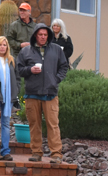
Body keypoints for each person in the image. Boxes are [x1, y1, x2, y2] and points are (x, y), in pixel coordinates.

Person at [16, 23, 69, 165]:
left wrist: (56, 79)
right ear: (35, 35)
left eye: (45, 35)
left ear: (48, 36)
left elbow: (64, 66)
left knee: (53, 125)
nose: (43, 37)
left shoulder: (57, 50)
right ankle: (36, 153)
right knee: (34, 125)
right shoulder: (26, 51)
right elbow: (19, 69)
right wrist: (29, 70)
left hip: (50, 94)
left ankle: (56, 154)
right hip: (32, 94)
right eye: (40, 35)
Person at [0, 36, 20, 161]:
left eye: (4, 45)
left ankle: (5, 152)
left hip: (8, 98)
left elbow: (17, 78)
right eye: (0, 44)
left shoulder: (11, 60)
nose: (2, 47)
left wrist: (16, 91)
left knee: (6, 125)